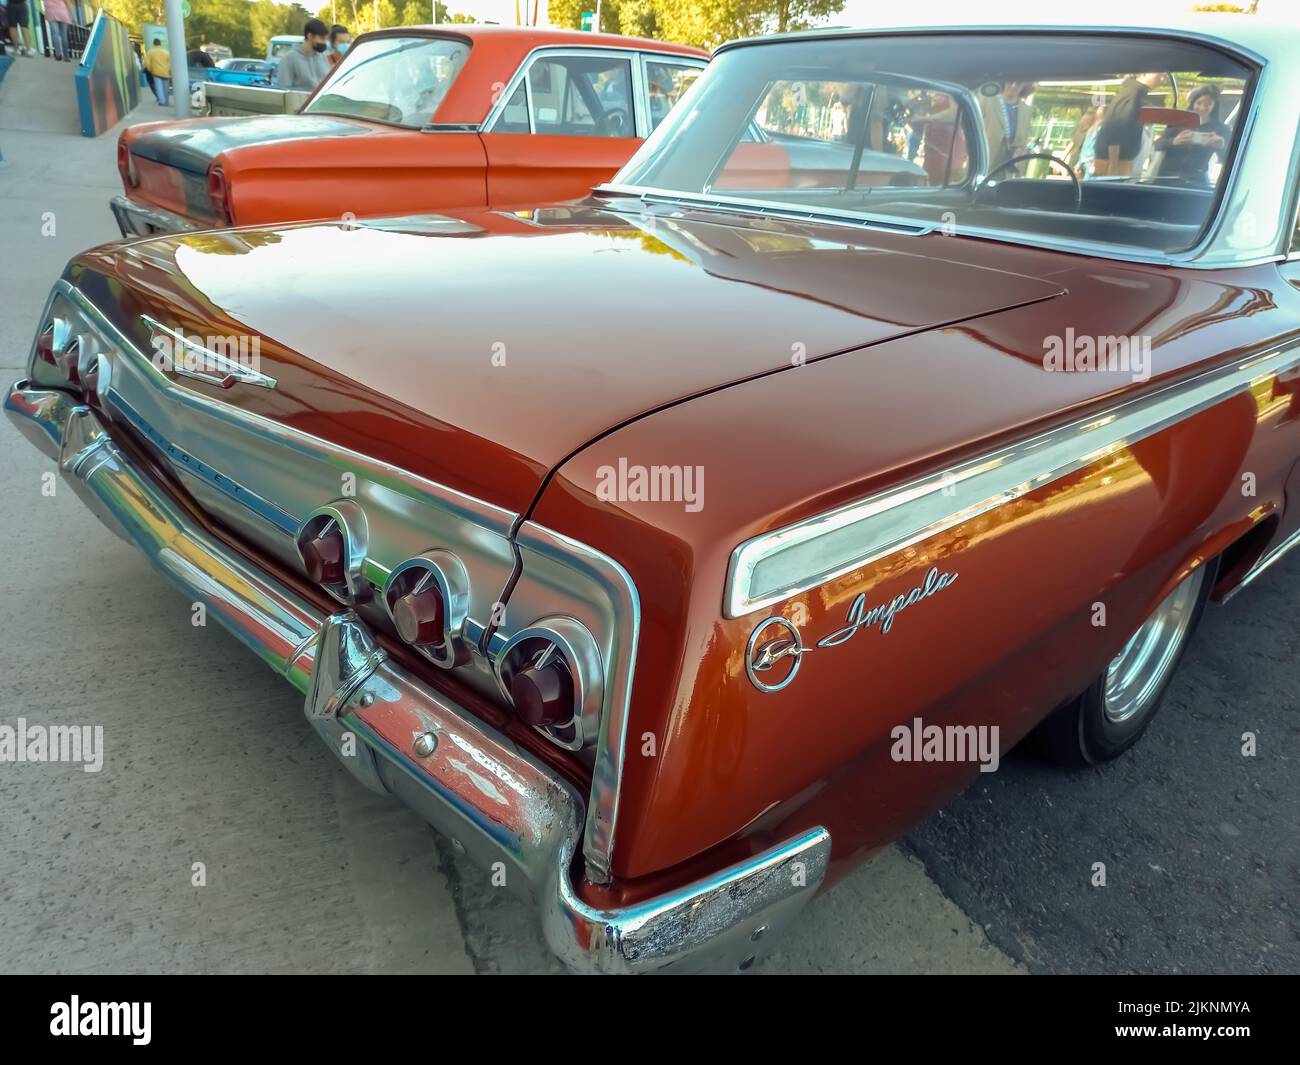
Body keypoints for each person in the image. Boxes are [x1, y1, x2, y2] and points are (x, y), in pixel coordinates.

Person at [1154, 85, 1230, 187]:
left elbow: (1228, 159)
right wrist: (1173, 141)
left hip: (1196, 180)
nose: (1202, 108)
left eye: (1208, 104)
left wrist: (1221, 146)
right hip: (1167, 178)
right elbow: (1157, 144)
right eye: (1199, 103)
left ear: (1214, 106)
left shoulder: (1221, 129)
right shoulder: (1178, 121)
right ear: (1193, 103)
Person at [1093, 72, 1163, 177]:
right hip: (1117, 161)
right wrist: (1113, 164)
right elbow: (1116, 128)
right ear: (1144, 73)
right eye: (1160, 75)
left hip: (1119, 160)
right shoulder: (1131, 94)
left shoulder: (1133, 93)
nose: (1162, 79)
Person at [979, 80, 1033, 171]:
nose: (1013, 85)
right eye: (1010, 81)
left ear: (1024, 86)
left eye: (1018, 83)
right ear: (1003, 82)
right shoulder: (987, 100)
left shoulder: (1026, 110)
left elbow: (1024, 138)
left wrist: (1019, 151)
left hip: (1012, 163)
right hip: (987, 159)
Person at [276, 18, 330, 91]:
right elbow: (283, 89)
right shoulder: (289, 59)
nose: (324, 43)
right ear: (310, 36)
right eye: (322, 39)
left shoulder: (323, 58)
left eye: (326, 39)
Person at [143, 36, 171, 105]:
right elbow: (170, 62)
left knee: (159, 88)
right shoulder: (166, 52)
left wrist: (150, 70)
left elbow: (147, 62)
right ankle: (166, 101)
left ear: (153, 44)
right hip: (165, 72)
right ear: (160, 44)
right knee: (165, 88)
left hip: (156, 72)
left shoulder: (151, 52)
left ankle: (162, 101)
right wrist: (169, 70)